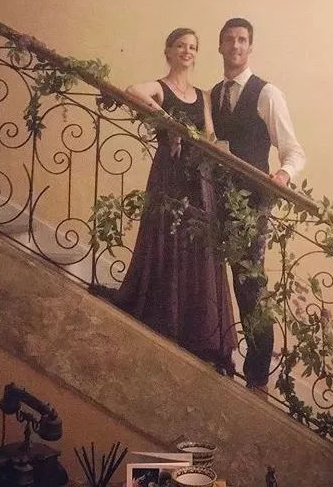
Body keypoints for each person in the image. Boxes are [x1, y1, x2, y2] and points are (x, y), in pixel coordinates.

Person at [100, 27, 237, 372]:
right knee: (168, 238)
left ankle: (197, 329)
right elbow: (132, 91)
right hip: (170, 174)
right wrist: (167, 121)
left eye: (192, 47)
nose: (187, 51)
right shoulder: (161, 87)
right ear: (169, 51)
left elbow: (209, 136)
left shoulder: (204, 96)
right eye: (181, 46)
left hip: (199, 178)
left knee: (200, 247)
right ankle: (166, 318)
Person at [210, 18, 306, 391]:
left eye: (242, 40)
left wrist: (281, 175)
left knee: (250, 283)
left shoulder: (267, 93)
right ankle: (216, 351)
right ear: (220, 46)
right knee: (211, 276)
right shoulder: (214, 94)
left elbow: (293, 151)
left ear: (250, 47)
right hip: (215, 198)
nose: (235, 46)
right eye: (229, 40)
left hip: (252, 203)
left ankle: (257, 375)